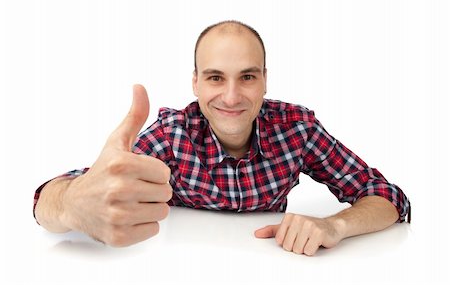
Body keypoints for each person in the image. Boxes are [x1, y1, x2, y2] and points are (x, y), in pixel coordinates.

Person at [34, 20, 410, 256]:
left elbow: (388, 197)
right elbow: (60, 194)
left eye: (247, 77)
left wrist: (334, 225)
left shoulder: (298, 129)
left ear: (265, 79)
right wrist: (69, 202)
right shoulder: (171, 136)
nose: (231, 97)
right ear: (195, 83)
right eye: (215, 77)